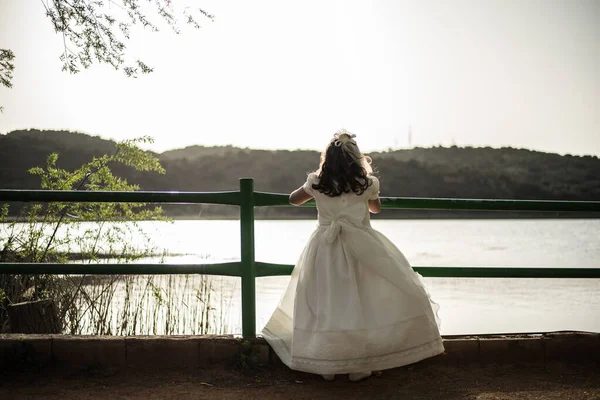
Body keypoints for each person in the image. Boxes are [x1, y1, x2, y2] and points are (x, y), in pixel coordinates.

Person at [261, 129, 444, 382]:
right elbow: (375, 209)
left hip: (325, 246)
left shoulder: (316, 182)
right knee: (361, 300)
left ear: (328, 158)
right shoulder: (367, 184)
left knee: (327, 301)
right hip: (362, 245)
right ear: (357, 159)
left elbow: (294, 200)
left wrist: (316, 192)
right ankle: (361, 364)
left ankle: (327, 364)